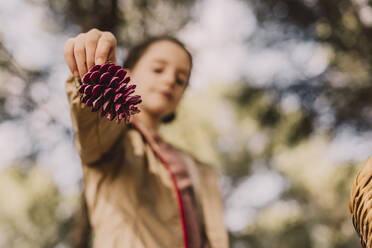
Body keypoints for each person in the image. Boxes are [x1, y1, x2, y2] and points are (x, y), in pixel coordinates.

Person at [63, 28, 229, 248]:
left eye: (181, 80)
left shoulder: (197, 167)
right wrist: (96, 70)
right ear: (127, 74)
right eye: (158, 69)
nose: (170, 80)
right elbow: (94, 120)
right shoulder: (113, 142)